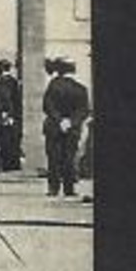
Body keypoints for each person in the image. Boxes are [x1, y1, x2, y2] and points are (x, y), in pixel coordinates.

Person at [42, 56, 90, 199]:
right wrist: (71, 122)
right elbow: (84, 110)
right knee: (69, 157)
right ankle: (69, 188)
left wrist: (59, 120)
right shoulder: (81, 89)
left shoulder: (53, 86)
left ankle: (53, 188)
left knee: (54, 158)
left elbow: (47, 106)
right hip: (73, 129)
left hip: (54, 127)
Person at [0, 58, 23, 171]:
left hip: (9, 117)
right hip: (6, 116)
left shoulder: (9, 83)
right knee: (7, 142)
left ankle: (11, 165)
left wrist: (9, 115)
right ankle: (9, 165)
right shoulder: (7, 82)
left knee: (9, 142)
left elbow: (13, 101)